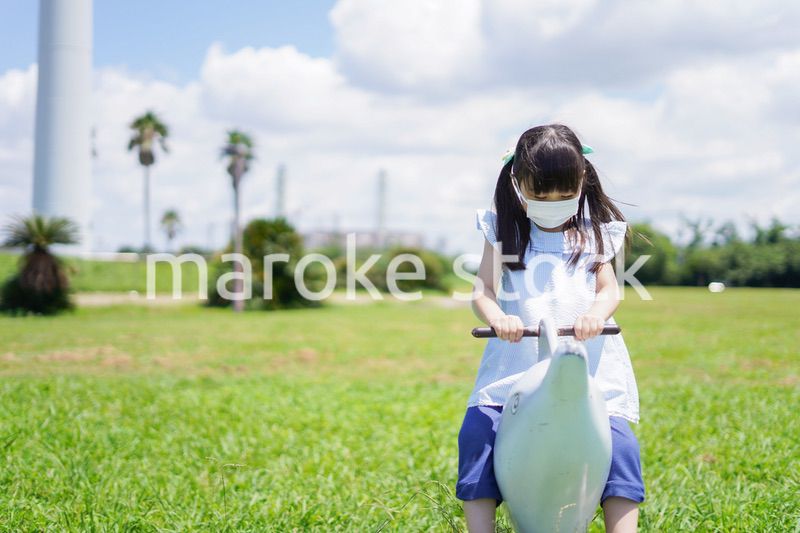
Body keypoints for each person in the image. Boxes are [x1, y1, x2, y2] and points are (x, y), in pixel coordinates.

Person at [456, 124, 645, 533]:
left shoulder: (596, 234)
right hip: (514, 366)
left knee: (620, 445)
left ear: (582, 181)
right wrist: (497, 318)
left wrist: (597, 313)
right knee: (477, 434)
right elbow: (483, 290)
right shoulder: (505, 231)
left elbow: (611, 290)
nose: (553, 204)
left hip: (588, 367)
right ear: (518, 183)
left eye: (564, 196)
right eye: (541, 196)